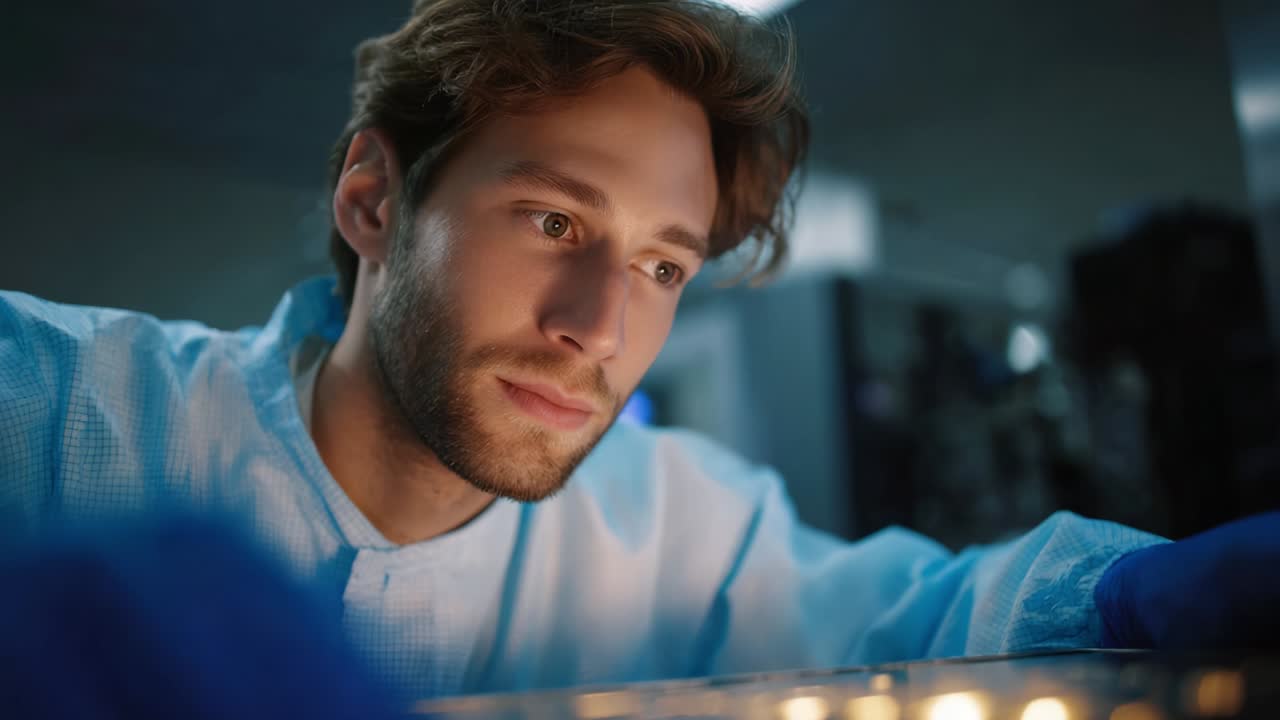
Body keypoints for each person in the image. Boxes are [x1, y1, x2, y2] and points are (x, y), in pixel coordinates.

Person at [1, 0, 1276, 702]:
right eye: (553, 219)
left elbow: (909, 620)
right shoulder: (53, 411)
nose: (600, 328)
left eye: (663, 266)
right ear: (375, 201)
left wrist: (1125, 600)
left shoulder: (681, 525)